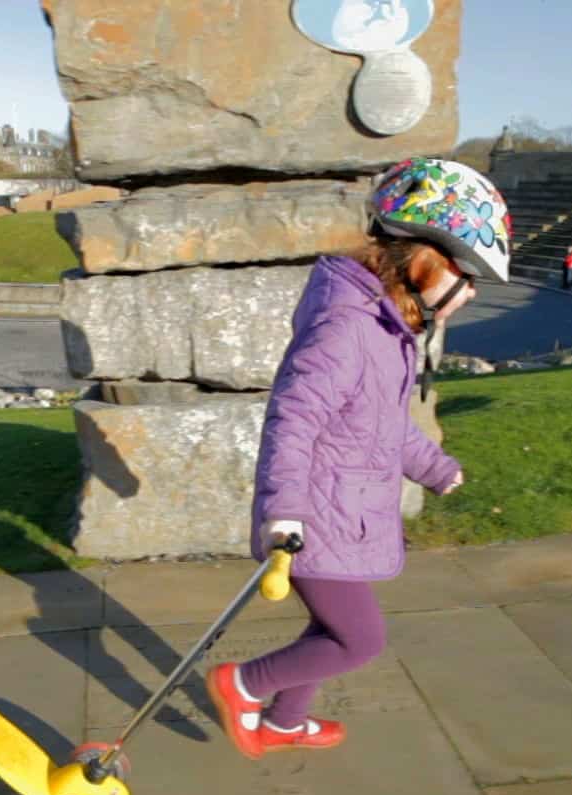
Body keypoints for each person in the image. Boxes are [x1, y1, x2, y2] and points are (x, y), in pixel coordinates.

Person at [204, 156, 500, 757]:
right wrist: (283, 514)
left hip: (344, 512)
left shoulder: (387, 328)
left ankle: (285, 724)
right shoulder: (350, 326)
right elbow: (294, 416)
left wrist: (436, 467)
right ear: (424, 259)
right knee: (360, 640)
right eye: (466, 275)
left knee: (332, 630)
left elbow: (382, 425)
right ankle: (241, 685)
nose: (468, 294)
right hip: (313, 518)